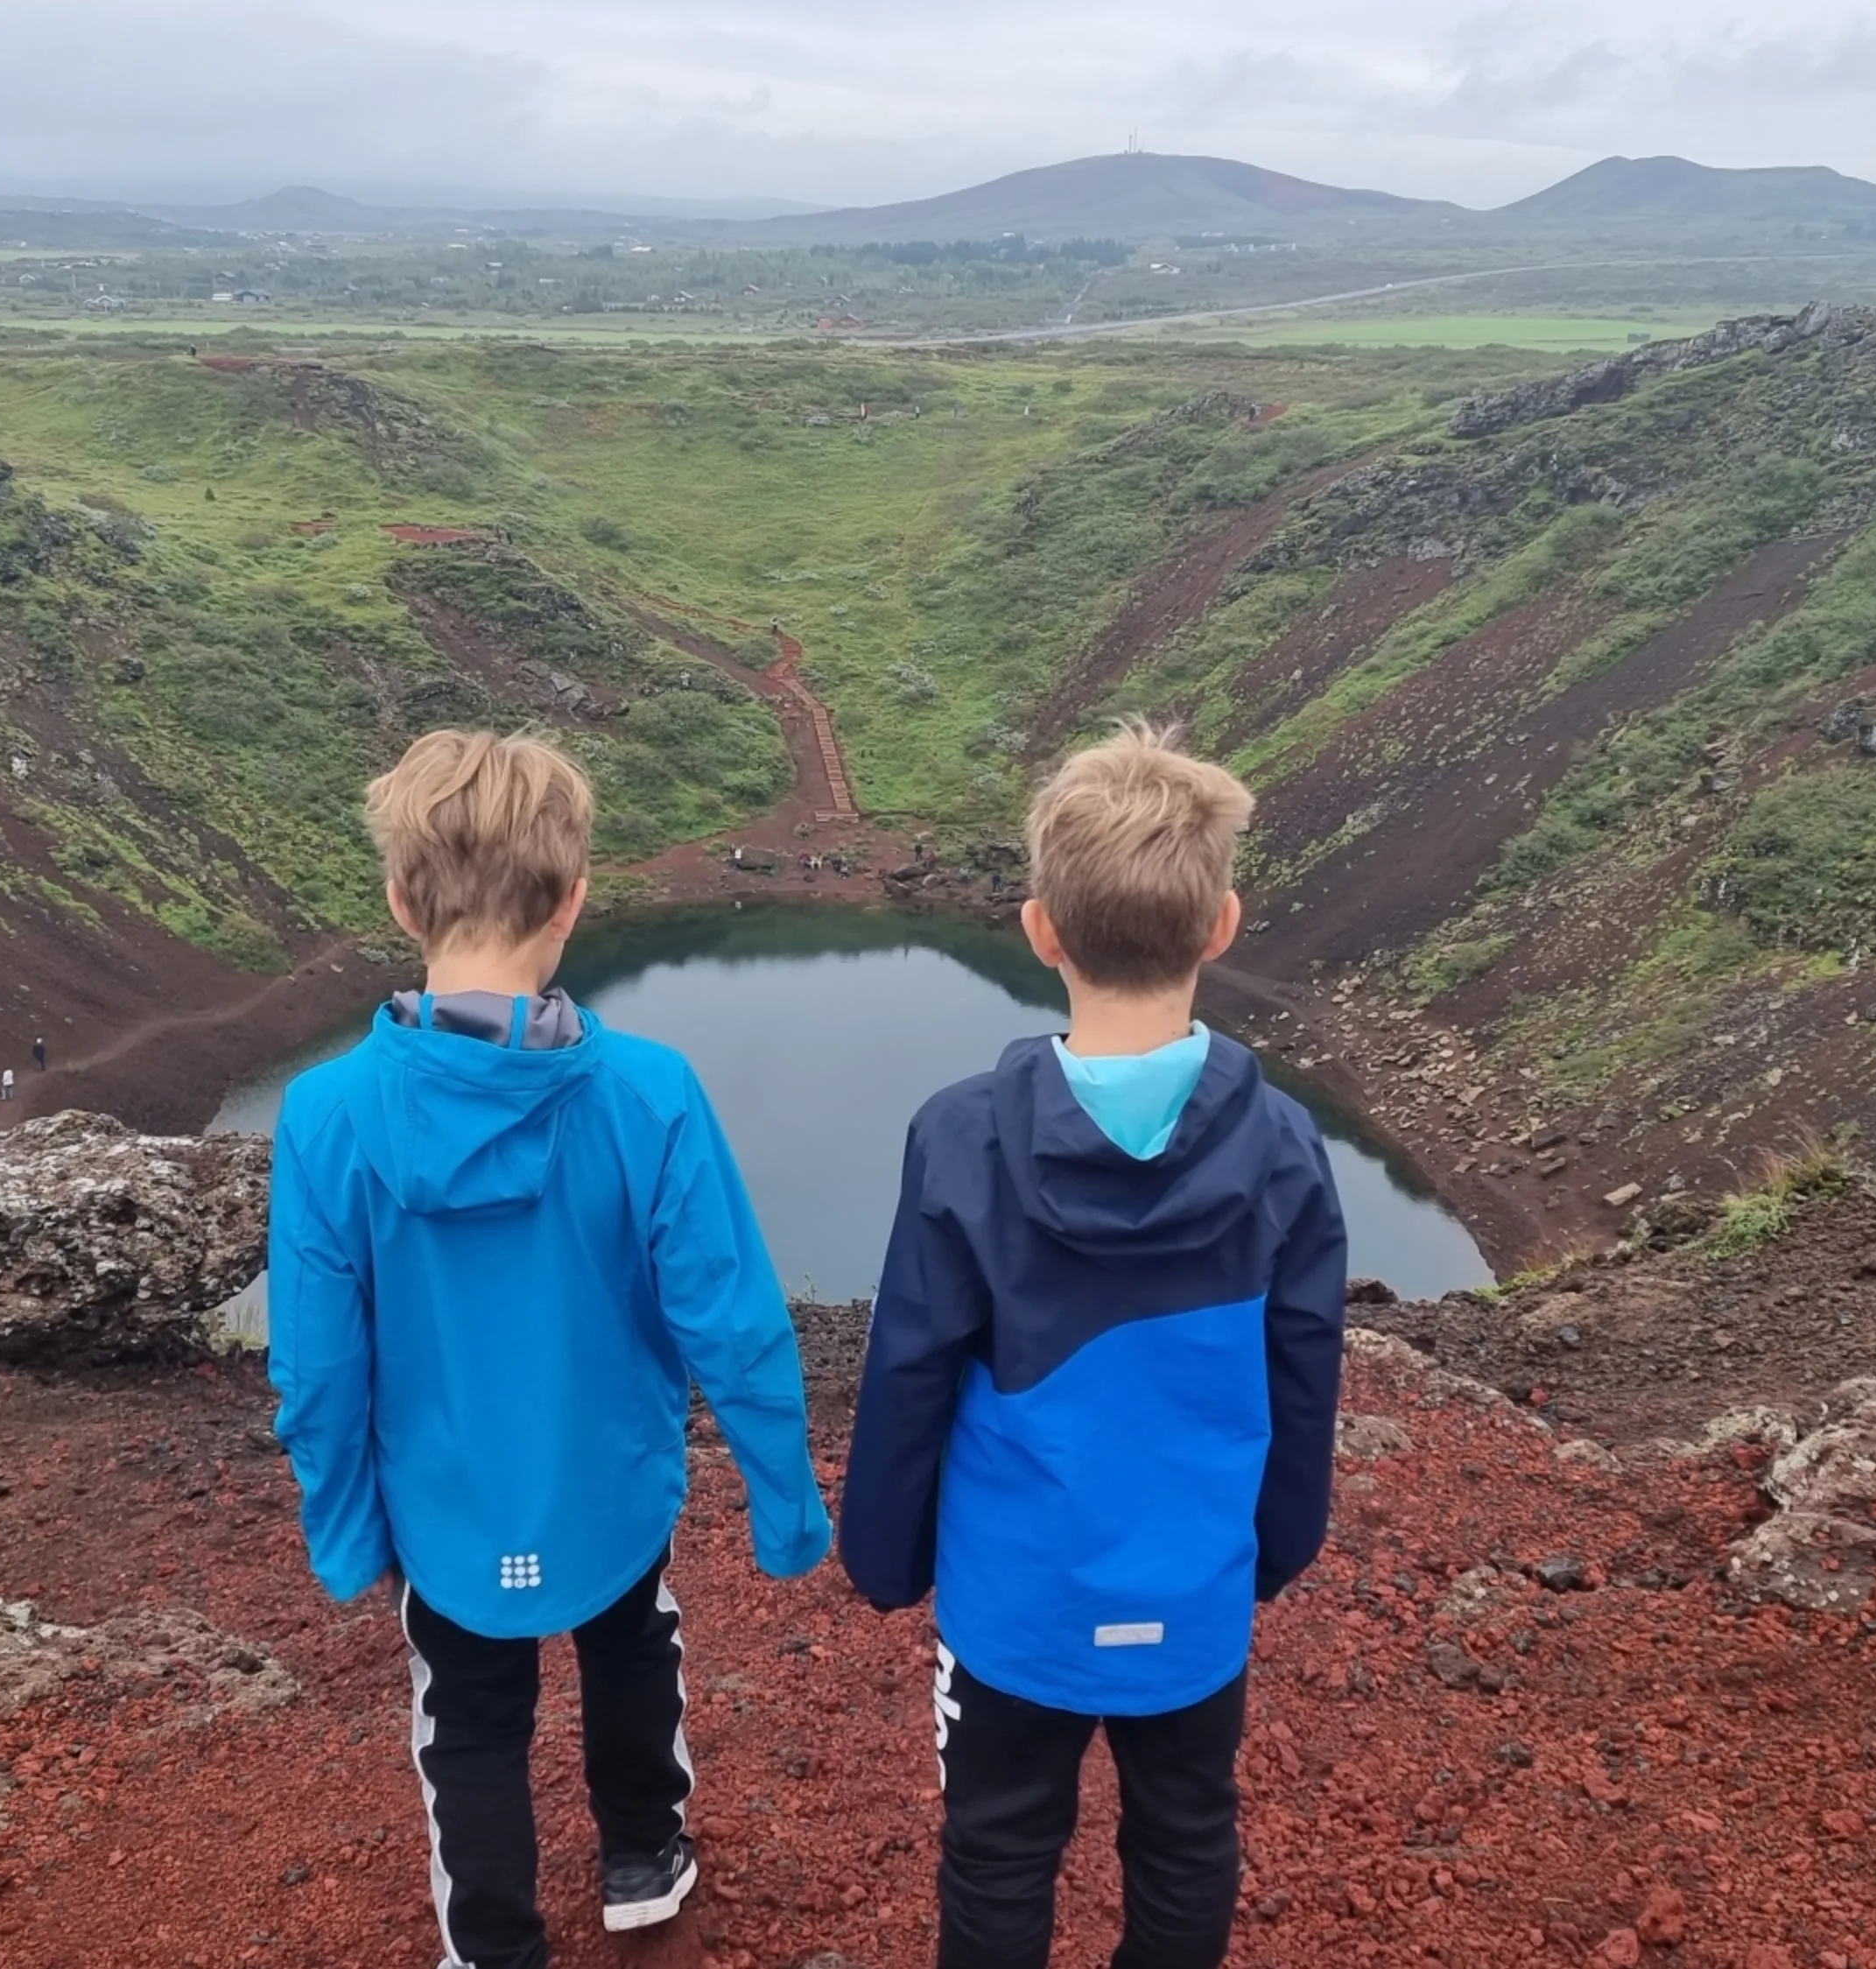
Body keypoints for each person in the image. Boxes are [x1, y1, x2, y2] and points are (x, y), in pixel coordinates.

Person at [270, 729, 829, 1969]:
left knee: (467, 1723)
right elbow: (733, 1324)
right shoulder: (651, 1092)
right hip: (612, 1490)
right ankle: (642, 1856)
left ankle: (495, 1946)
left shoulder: (324, 1116)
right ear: (575, 900)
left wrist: (348, 1530)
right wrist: (786, 1506)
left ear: (400, 898)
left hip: (445, 1515)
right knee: (631, 1645)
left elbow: (316, 1368)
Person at [840, 721, 1348, 1969]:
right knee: (1185, 1835)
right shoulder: (1285, 1146)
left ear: (1039, 928)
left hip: (1017, 1601)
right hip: (1195, 1592)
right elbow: (1306, 1368)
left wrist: (884, 1555)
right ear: (1220, 926)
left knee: (1000, 1845)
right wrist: (1272, 1553)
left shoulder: (960, 1137)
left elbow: (909, 1363)